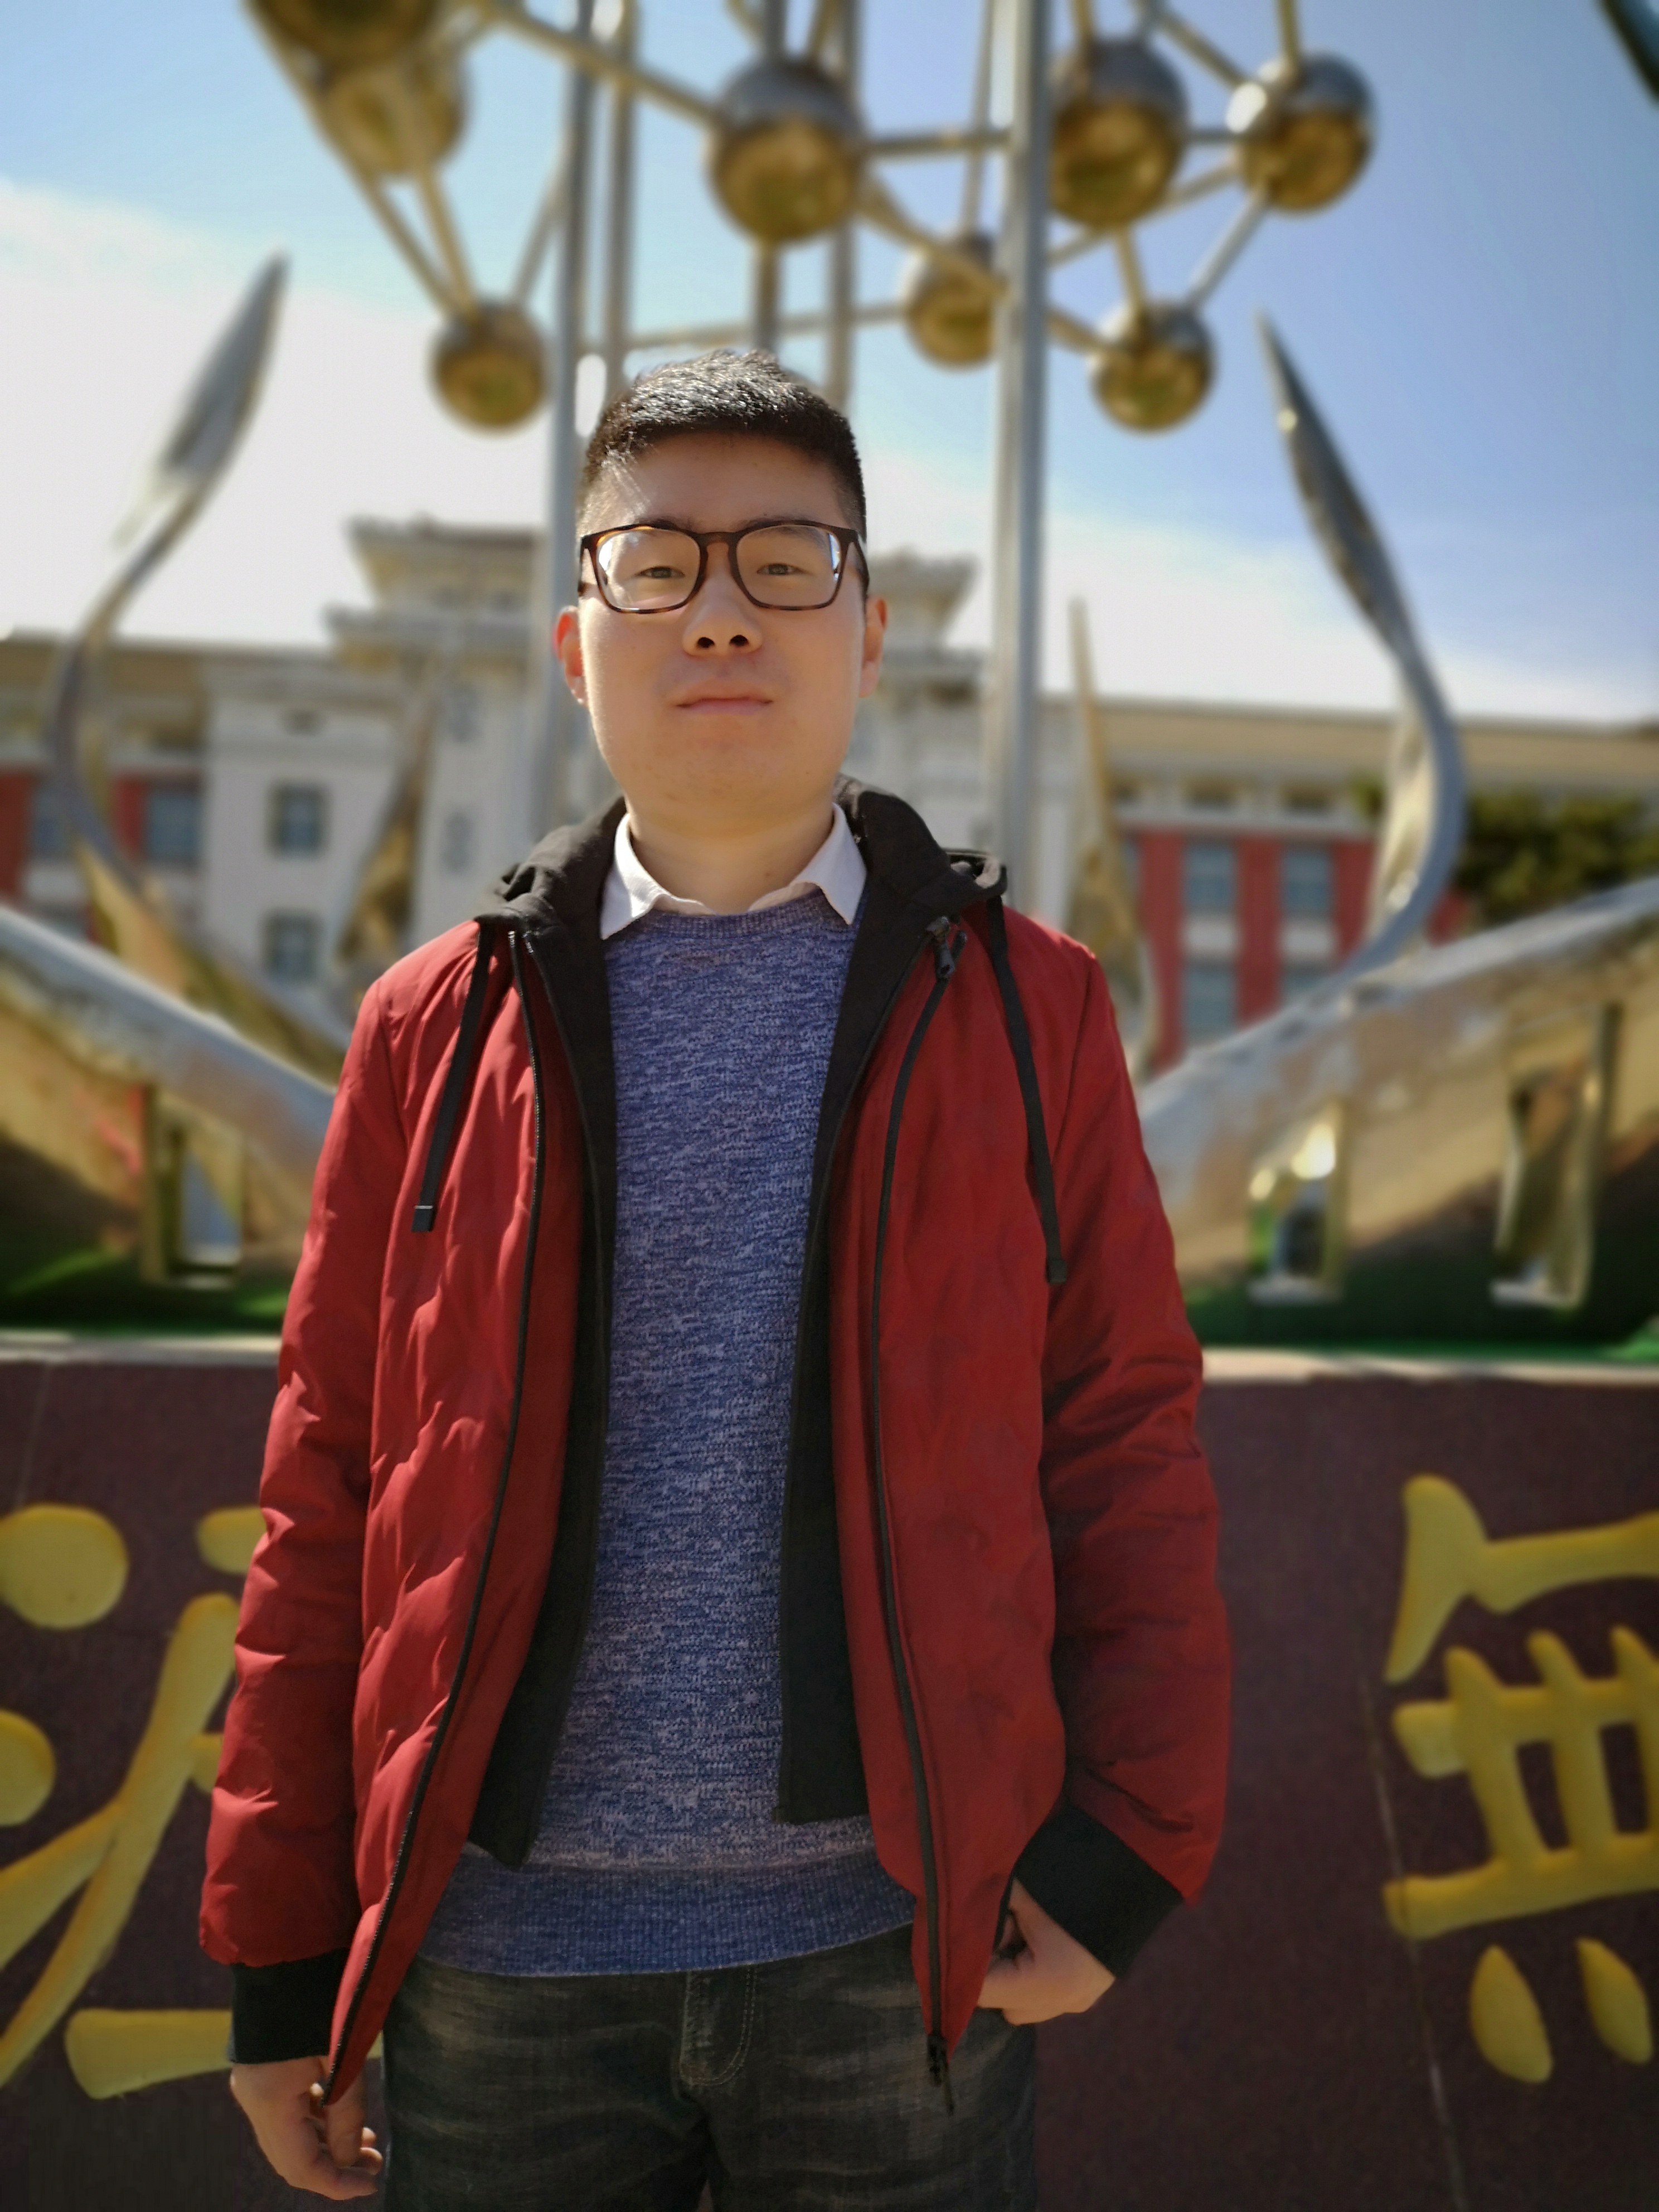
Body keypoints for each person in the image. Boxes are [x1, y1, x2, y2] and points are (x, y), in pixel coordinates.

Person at [202, 350, 1229, 2210]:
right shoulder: (436, 1028)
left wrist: (1127, 1855)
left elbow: (1121, 1436)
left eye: (787, 561)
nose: (724, 614)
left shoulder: (1027, 1005)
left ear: (869, 630)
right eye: (657, 563)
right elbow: (328, 1487)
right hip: (495, 1958)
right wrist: (283, 1951)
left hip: (897, 1945)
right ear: (574, 644)